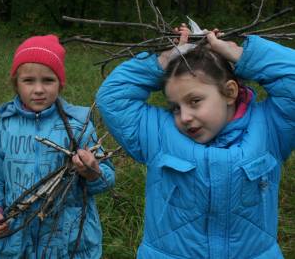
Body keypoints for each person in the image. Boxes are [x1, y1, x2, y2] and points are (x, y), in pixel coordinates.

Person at [96, 25, 294, 258]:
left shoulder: (270, 128)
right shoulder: (159, 134)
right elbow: (112, 98)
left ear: (230, 92)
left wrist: (242, 56)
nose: (185, 116)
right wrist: (163, 61)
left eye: (195, 100)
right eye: (175, 107)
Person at [0, 35, 115, 259]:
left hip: (68, 243)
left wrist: (92, 172)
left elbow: (107, 177)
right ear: (15, 83)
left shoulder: (79, 127)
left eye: (48, 80)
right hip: (18, 240)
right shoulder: (0, 130)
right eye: (29, 81)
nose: (38, 89)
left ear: (61, 83)